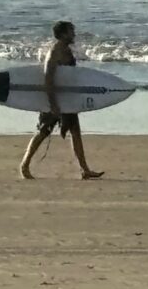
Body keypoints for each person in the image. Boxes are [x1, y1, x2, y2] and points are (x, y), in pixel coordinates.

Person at [19, 21, 104, 180]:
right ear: (64, 33)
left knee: (75, 132)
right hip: (54, 99)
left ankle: (84, 169)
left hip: (67, 99)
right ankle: (24, 165)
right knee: (43, 132)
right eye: (71, 31)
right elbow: (48, 78)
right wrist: (53, 103)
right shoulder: (54, 52)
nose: (74, 34)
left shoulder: (67, 50)